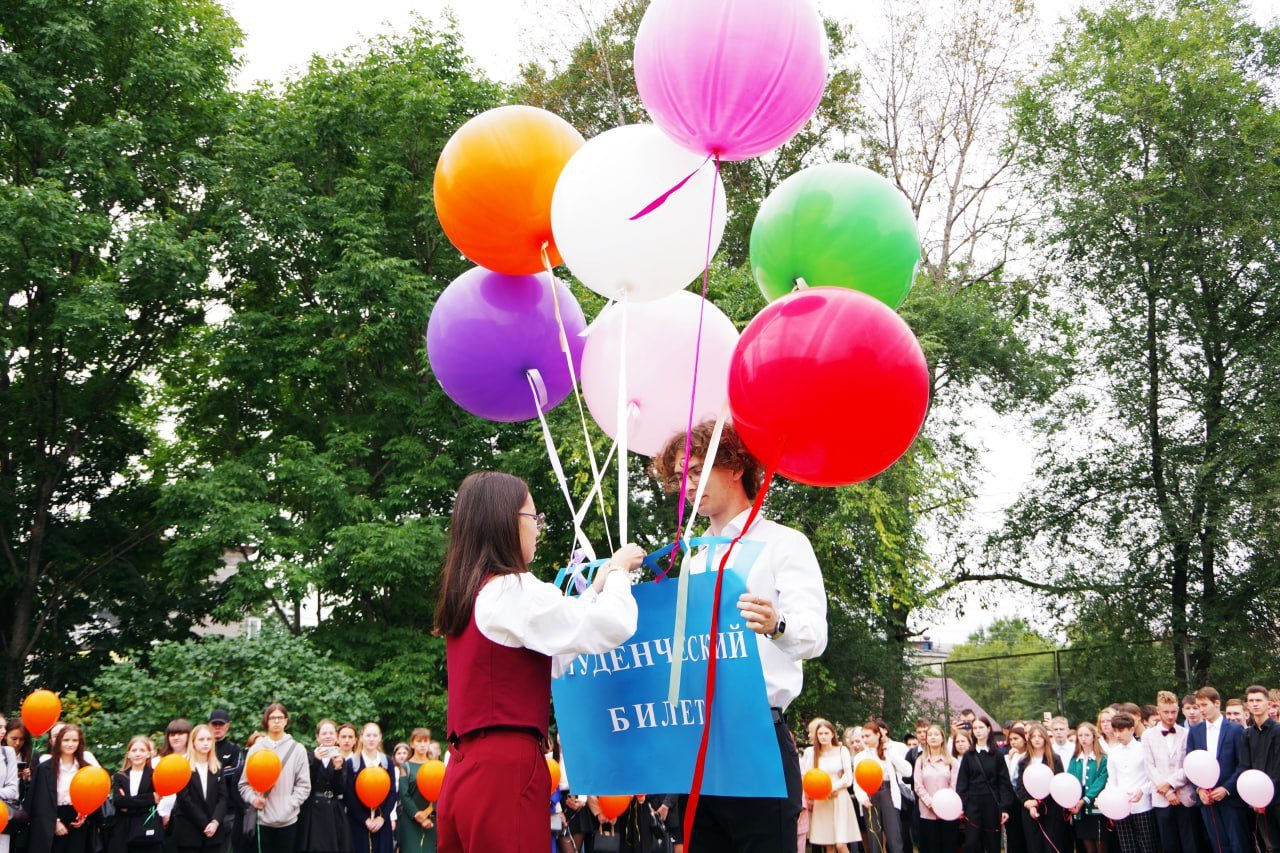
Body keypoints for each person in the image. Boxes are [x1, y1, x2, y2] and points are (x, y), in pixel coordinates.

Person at [431, 471, 643, 852]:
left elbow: (550, 650)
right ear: (507, 521)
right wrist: (616, 573)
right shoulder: (513, 588)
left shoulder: (473, 595)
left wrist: (594, 588)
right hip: (505, 771)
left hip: (463, 771)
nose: (538, 529)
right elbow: (613, 624)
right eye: (534, 517)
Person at [652, 422, 828, 852]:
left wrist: (777, 624)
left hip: (758, 736)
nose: (687, 486)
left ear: (735, 467)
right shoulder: (693, 560)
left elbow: (815, 635)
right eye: (680, 477)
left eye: (697, 471)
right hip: (699, 742)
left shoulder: (784, 544)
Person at [237, 704, 311, 853]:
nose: (276, 721)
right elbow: (244, 784)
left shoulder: (298, 750)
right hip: (262, 821)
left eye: (280, 718)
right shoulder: (255, 750)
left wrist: (289, 805)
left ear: (286, 721)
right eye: (272, 718)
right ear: (266, 721)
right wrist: (253, 799)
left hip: (288, 821)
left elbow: (304, 785)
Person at [1187, 686, 1249, 853]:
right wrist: (1199, 789)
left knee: (1238, 844)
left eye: (1204, 705)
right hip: (1207, 799)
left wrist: (1226, 788)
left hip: (1231, 798)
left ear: (1216, 703)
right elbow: (1190, 764)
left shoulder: (1235, 729)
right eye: (1198, 706)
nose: (1201, 710)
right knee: (1219, 845)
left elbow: (1243, 764)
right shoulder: (1194, 731)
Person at [1143, 690, 1197, 853]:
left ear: (1178, 710)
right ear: (1158, 711)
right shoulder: (1148, 735)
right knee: (1169, 844)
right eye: (1166, 712)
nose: (1170, 716)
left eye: (1173, 712)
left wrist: (1171, 784)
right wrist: (1166, 791)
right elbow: (1149, 766)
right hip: (1162, 797)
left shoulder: (1186, 733)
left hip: (1184, 795)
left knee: (1190, 843)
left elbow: (1189, 764)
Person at [27, 724, 94, 853]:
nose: (70, 744)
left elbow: (92, 795)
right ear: (58, 742)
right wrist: (54, 822)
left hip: (77, 819)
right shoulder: (45, 768)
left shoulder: (86, 768)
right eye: (66, 740)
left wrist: (85, 814)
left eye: (74, 740)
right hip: (51, 818)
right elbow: (40, 800)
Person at [955, 717, 1013, 853]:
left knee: (992, 843)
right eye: (975, 728)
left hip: (992, 804)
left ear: (988, 729)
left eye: (981, 727)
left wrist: (1005, 808)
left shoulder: (997, 755)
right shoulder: (968, 755)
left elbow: (1004, 783)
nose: (978, 731)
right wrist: (962, 806)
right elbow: (962, 783)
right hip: (973, 804)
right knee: (972, 843)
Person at [852, 721, 910, 853]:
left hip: (888, 793)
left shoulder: (888, 752)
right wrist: (862, 798)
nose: (864, 739)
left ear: (878, 734)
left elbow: (907, 771)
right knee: (874, 839)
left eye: (868, 736)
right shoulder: (860, 756)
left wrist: (890, 752)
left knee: (894, 837)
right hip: (869, 796)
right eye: (863, 736)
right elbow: (857, 781)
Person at [1100, 713, 1154, 853]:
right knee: (1127, 847)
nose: (1118, 735)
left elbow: (1152, 777)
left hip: (1143, 805)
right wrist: (1108, 797)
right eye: (1115, 731)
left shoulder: (1143, 748)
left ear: (1131, 729)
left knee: (1147, 846)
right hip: (1121, 806)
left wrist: (1143, 790)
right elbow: (1112, 779)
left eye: (1121, 730)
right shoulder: (1113, 752)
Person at [801, 720, 858, 853]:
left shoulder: (842, 750)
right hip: (822, 800)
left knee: (841, 844)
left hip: (840, 798)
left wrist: (831, 788)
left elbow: (848, 778)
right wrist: (820, 792)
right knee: (828, 845)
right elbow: (809, 777)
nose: (823, 736)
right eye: (820, 734)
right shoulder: (813, 753)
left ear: (832, 734)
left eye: (826, 733)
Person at [172, 725, 226, 853]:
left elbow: (223, 798)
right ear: (193, 743)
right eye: (201, 739)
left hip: (214, 833)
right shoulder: (183, 766)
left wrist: (215, 822)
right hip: (189, 832)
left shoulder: (217, 768)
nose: (205, 743)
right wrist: (204, 823)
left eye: (209, 739)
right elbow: (184, 799)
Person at [1015, 724, 1066, 853]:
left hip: (1051, 808)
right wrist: (1027, 802)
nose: (1037, 739)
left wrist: (1039, 802)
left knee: (1050, 846)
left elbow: (1058, 783)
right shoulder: (1024, 761)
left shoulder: (1054, 759)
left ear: (1045, 739)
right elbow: (1020, 785)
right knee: (1034, 846)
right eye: (1033, 737)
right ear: (1029, 739)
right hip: (1029, 809)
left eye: (1040, 736)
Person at [1241, 685, 1279, 853]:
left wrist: (1266, 796)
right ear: (1247, 705)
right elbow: (1245, 766)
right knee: (1271, 846)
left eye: (1258, 700)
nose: (1255, 704)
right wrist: (1255, 798)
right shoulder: (1247, 734)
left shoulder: (1278, 731)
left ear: (1268, 703)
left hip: (1277, 796)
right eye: (1251, 701)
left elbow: (1277, 767)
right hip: (1259, 800)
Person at [345, 724, 395, 853]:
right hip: (358, 823)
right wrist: (364, 819)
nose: (371, 739)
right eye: (368, 735)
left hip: (381, 822)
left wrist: (382, 818)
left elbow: (392, 792)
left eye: (375, 735)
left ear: (380, 737)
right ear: (361, 737)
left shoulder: (387, 762)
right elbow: (349, 795)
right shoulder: (352, 763)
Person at [300, 721, 348, 853]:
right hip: (313, 809)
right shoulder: (309, 756)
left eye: (331, 733)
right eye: (324, 733)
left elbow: (340, 789)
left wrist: (338, 769)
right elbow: (306, 782)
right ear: (318, 737)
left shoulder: (340, 758)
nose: (328, 736)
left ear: (336, 736)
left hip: (333, 809)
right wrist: (316, 760)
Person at [111, 736, 160, 853]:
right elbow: (118, 801)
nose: (138, 754)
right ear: (128, 754)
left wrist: (128, 804)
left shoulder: (156, 775)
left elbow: (157, 801)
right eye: (134, 750)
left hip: (146, 827)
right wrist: (150, 798)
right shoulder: (119, 776)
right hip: (123, 829)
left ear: (148, 754)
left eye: (142, 750)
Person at [914, 725, 959, 853]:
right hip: (927, 813)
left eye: (936, 734)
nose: (933, 737)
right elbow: (918, 786)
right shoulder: (920, 762)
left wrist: (942, 805)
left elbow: (954, 785)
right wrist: (931, 803)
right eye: (930, 735)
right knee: (929, 847)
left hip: (948, 812)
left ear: (943, 738)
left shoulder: (951, 762)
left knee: (948, 847)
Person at [1067, 723, 1107, 853]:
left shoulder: (1102, 758)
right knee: (1087, 845)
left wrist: (1086, 799)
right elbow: (1070, 779)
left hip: (1095, 804)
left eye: (1087, 735)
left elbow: (1101, 780)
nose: (1083, 738)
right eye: (1080, 735)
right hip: (1079, 805)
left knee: (1100, 843)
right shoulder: (1074, 759)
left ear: (1094, 737)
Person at [207, 711, 244, 853]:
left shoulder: (234, 749)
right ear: (209, 726)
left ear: (227, 726)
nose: (217, 727)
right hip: (206, 810)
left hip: (229, 810)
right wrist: (223, 770)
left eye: (221, 724)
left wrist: (215, 772)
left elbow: (238, 771)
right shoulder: (203, 747)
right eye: (214, 724)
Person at [395, 729, 435, 853]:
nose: (422, 744)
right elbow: (404, 794)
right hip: (410, 819)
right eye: (419, 741)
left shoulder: (435, 765)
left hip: (431, 819)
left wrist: (428, 811)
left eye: (425, 741)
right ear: (412, 744)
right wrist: (417, 815)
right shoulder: (405, 766)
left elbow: (442, 792)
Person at [155, 720, 191, 843]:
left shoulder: (194, 761)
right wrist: (162, 814)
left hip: (188, 819)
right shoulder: (157, 761)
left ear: (188, 736)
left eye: (180, 734)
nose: (176, 738)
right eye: (172, 735)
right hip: (160, 817)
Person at [1, 716, 19, 853]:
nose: (3, 731)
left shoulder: (8, 753)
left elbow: (13, 790)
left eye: (4, 727)